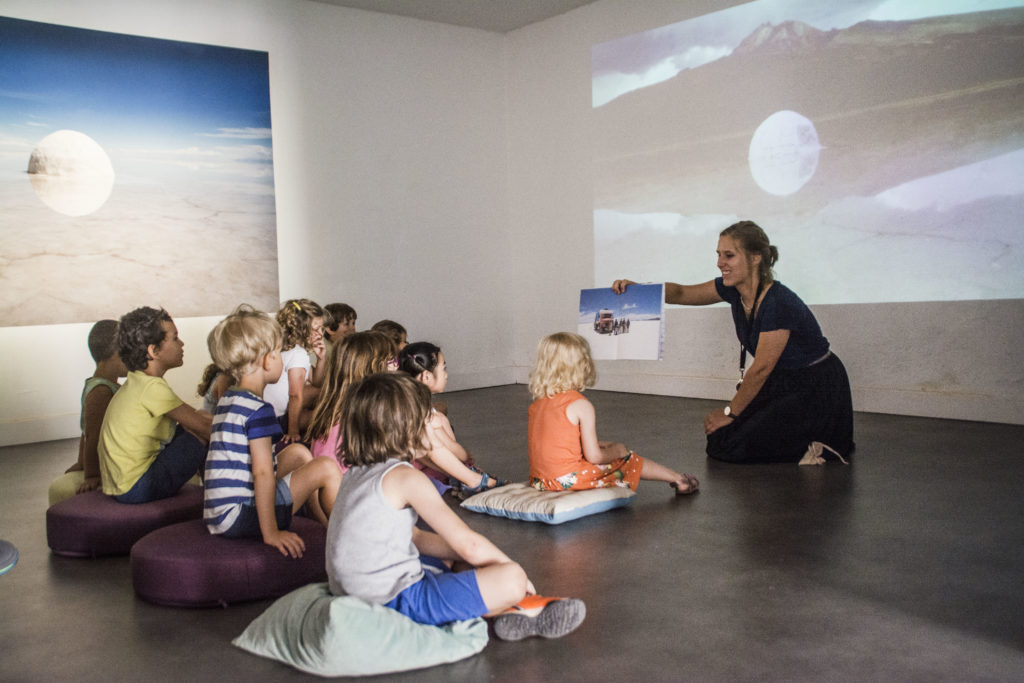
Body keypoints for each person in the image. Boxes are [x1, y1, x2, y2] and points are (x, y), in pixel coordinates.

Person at [326, 372, 586, 641]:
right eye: (428, 421)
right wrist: (513, 570)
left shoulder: (356, 474)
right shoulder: (407, 478)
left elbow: (413, 537)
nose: (434, 428)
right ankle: (524, 605)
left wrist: (469, 559)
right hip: (393, 601)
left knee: (457, 560)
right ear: (406, 429)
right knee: (510, 579)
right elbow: (468, 544)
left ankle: (508, 609)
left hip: (353, 591)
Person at [612, 220, 854, 464]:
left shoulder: (778, 303)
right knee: (720, 438)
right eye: (718, 255)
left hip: (814, 388)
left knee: (731, 444)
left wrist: (730, 412)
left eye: (729, 255)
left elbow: (761, 369)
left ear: (756, 257)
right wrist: (639, 290)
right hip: (784, 381)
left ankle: (820, 442)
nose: (720, 263)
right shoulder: (733, 290)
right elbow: (682, 293)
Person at [203, 305, 341, 557]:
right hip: (243, 516)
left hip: (219, 513)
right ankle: (346, 534)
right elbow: (263, 471)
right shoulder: (258, 410)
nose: (280, 359)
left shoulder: (230, 399)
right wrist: (271, 532)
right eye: (279, 353)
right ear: (267, 360)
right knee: (327, 468)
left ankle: (322, 524)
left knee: (299, 453)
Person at [528, 332, 699, 495]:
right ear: (583, 366)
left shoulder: (537, 404)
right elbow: (594, 457)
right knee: (628, 460)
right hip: (567, 481)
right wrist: (616, 451)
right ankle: (679, 479)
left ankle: (677, 478)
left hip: (541, 481)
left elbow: (555, 443)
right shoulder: (580, 405)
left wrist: (602, 445)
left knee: (608, 449)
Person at [98, 307, 212, 503]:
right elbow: (204, 427)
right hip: (137, 487)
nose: (182, 343)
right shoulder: (152, 388)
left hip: (121, 486)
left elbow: (196, 418)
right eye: (175, 338)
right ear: (153, 350)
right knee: (201, 430)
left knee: (198, 421)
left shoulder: (137, 382)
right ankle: (220, 493)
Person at [398, 342, 507, 497]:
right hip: (405, 471)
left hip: (416, 464)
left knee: (439, 419)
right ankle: (471, 479)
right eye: (443, 368)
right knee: (436, 424)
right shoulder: (417, 411)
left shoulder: (413, 404)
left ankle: (463, 476)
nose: (446, 374)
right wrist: (465, 458)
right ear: (426, 376)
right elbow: (451, 451)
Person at [48, 320, 128, 505]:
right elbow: (93, 434)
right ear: (116, 351)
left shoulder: (103, 385)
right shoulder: (101, 391)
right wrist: (91, 474)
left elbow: (86, 431)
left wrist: (81, 462)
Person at [306, 330, 397, 470]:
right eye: (391, 361)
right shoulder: (346, 423)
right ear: (369, 370)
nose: (396, 366)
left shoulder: (351, 411)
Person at [262, 299, 326, 443]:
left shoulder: (285, 348)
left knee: (319, 391)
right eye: (316, 329)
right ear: (301, 328)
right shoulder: (297, 354)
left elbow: (316, 381)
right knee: (328, 415)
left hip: (271, 416)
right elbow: (295, 395)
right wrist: (293, 431)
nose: (320, 334)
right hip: (277, 421)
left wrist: (321, 359)